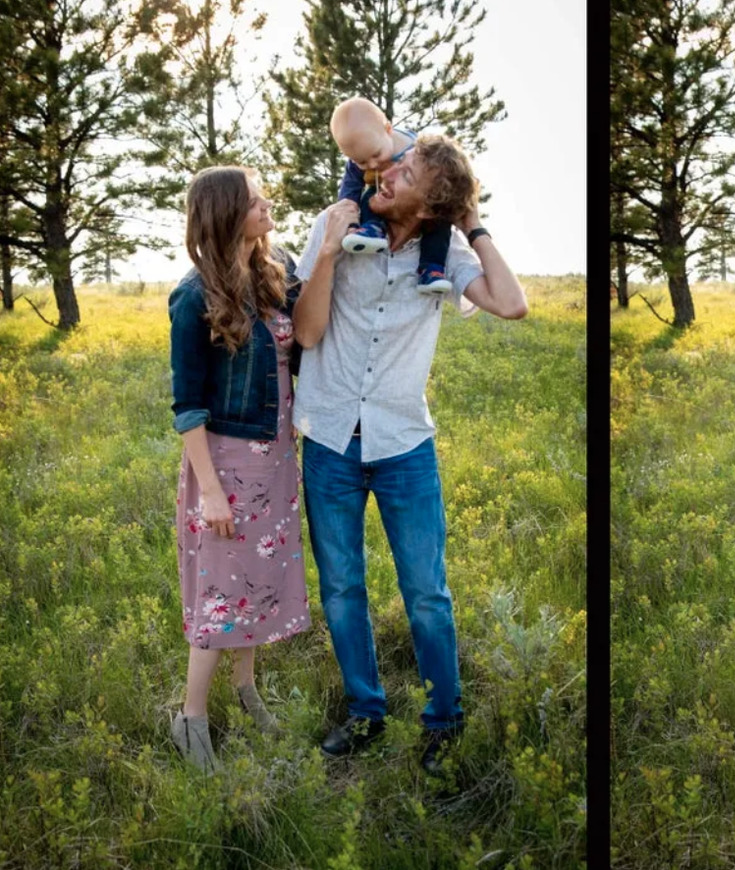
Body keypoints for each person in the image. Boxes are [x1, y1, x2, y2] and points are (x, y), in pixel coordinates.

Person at [291, 133, 527, 772]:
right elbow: (308, 332)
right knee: (342, 587)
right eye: (396, 161)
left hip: (403, 445)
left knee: (426, 591)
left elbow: (512, 304)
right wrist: (330, 254)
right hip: (330, 439)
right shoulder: (335, 224)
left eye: (409, 170)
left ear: (431, 203)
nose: (390, 171)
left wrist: (471, 224)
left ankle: (443, 721)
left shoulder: (446, 250)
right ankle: (366, 713)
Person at [167, 166, 311, 773]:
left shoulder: (273, 275)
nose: (267, 205)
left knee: (256, 584)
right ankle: (190, 718)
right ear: (227, 213)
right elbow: (188, 405)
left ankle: (247, 689)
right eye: (255, 201)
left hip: (276, 457)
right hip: (225, 463)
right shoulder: (194, 295)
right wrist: (212, 495)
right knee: (221, 595)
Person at [329, 97, 452, 295]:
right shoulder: (362, 155)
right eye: (361, 162)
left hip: (420, 201)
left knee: (439, 222)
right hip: (383, 195)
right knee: (370, 197)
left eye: (376, 155)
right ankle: (371, 229)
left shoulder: (415, 148)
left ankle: (432, 268)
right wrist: (348, 208)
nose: (371, 165)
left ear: (388, 130)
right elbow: (351, 185)